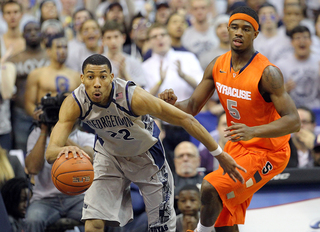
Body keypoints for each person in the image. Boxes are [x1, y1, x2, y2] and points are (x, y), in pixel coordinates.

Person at [45, 54, 245, 232]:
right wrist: (65, 149)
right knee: (94, 223)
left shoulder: (133, 97)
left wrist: (219, 154)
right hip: (109, 156)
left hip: (147, 157)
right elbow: (50, 153)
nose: (97, 83)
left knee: (160, 228)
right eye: (90, 77)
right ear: (82, 79)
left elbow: (186, 119)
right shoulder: (74, 102)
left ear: (111, 78)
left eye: (103, 77)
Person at [159, 6, 300, 232]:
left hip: (268, 153)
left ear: (255, 34)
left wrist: (254, 131)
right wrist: (168, 104)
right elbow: (192, 107)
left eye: (246, 29)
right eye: (234, 27)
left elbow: (294, 121)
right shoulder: (217, 65)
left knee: (209, 189)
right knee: (225, 219)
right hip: (237, 147)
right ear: (227, 29)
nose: (238, 33)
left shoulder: (268, 73)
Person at [25, 92, 95, 232]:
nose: (59, 117)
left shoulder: (85, 137)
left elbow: (91, 158)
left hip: (79, 197)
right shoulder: (37, 135)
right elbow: (32, 169)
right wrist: (45, 130)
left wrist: (58, 132)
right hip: (45, 200)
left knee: (105, 217)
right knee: (32, 220)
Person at [143, 22, 203, 154]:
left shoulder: (187, 57)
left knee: (190, 158)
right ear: (148, 42)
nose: (159, 38)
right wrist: (160, 82)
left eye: (163, 34)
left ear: (169, 38)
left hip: (190, 119)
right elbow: (144, 99)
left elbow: (203, 87)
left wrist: (184, 76)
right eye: (154, 36)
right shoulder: (145, 66)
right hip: (162, 125)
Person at [9, 21, 50, 153]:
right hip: (21, 114)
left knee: (46, 152)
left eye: (36, 30)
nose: (32, 33)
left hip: (47, 114)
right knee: (21, 151)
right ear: (22, 35)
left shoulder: (50, 57)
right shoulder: (14, 59)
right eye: (28, 30)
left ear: (42, 34)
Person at [24, 33, 81, 118]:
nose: (63, 51)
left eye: (65, 47)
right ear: (48, 51)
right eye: (58, 47)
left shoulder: (76, 76)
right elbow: (29, 103)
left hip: (69, 124)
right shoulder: (36, 74)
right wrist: (40, 117)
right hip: (44, 123)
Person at [275, 25, 320, 109]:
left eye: (305, 37)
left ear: (311, 41)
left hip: (317, 110)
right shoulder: (281, 65)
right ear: (291, 42)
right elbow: (274, 95)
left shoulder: (318, 61)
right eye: (297, 38)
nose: (301, 41)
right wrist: (282, 90)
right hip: (293, 111)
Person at [101, 20, 147, 88]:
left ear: (123, 38)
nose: (113, 42)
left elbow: (141, 91)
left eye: (116, 37)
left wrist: (125, 74)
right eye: (108, 38)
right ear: (103, 40)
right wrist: (119, 77)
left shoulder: (134, 61)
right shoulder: (99, 64)